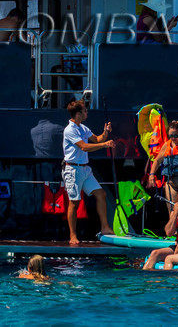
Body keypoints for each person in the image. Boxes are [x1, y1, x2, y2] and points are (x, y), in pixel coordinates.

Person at [62, 100, 117, 245]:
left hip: (85, 169)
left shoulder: (83, 127)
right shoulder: (70, 130)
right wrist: (105, 145)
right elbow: (84, 147)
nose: (87, 112)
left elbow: (97, 139)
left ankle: (105, 227)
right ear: (78, 113)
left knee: (101, 194)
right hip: (73, 169)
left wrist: (105, 132)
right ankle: (72, 235)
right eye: (85, 110)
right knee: (74, 203)